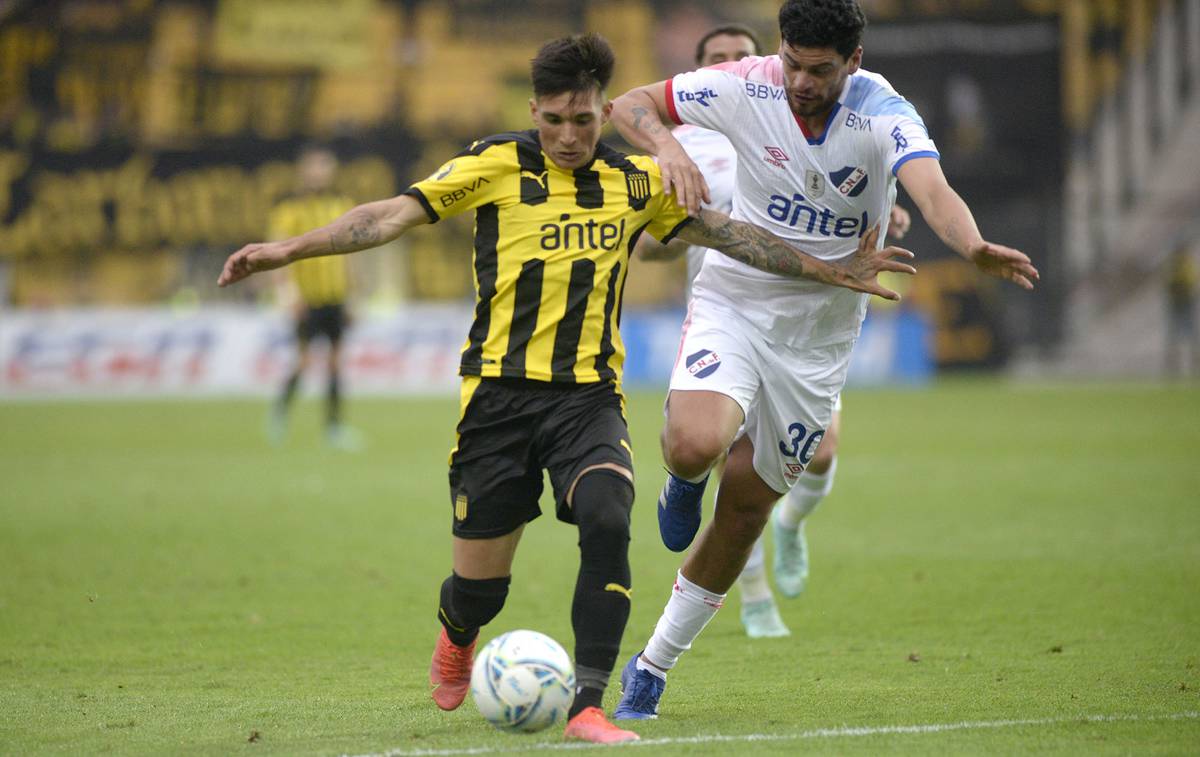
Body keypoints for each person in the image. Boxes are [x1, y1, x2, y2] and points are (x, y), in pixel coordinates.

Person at [218, 33, 914, 743]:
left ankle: (587, 704)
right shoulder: (493, 164)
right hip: (496, 399)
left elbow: (728, 236)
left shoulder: (636, 184)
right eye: (553, 120)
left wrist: (827, 270)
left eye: (583, 121)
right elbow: (387, 216)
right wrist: (287, 250)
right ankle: (458, 633)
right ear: (534, 111)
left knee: (610, 517)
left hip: (587, 400)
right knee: (478, 589)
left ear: (604, 114)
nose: (568, 136)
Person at [610, 0, 1039, 720]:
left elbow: (931, 187)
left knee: (745, 508)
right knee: (693, 444)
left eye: (819, 69)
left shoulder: (883, 112)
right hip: (737, 300)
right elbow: (631, 104)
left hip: (820, 337)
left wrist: (971, 246)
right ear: (779, 48)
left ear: (854, 61)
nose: (801, 81)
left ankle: (653, 664)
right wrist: (669, 147)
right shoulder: (747, 82)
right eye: (793, 63)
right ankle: (682, 480)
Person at [635, 22, 914, 640]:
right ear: (699, 71)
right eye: (717, 59)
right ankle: (754, 597)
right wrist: (671, 227)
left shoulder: (780, 112)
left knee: (822, 454)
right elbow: (655, 240)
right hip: (731, 317)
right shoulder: (687, 141)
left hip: (812, 327)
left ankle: (791, 529)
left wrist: (882, 203)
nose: (733, 66)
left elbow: (849, 179)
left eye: (743, 56)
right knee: (716, 456)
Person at [266, 145, 362, 450]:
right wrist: (288, 295)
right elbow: (277, 255)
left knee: (335, 364)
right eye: (314, 167)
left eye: (325, 167)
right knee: (304, 362)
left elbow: (352, 256)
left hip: (336, 298)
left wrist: (354, 297)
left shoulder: (343, 206)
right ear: (303, 172)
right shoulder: (288, 210)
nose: (320, 173)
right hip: (306, 300)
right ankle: (279, 414)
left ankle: (334, 427)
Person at [1166, 242, 1197, 377]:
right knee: (1175, 334)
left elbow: (1192, 281)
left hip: (1185, 301)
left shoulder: (1185, 265)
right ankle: (1175, 364)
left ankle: (1192, 361)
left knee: (1188, 333)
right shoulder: (1175, 266)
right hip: (1178, 302)